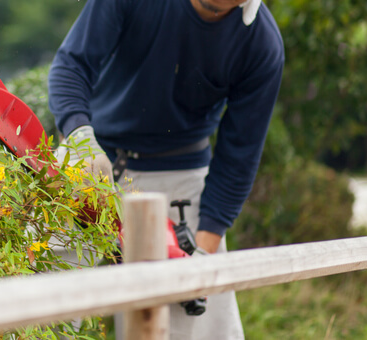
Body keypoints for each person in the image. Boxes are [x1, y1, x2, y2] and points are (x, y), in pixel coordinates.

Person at [48, 0, 284, 339]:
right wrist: (80, 137)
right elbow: (72, 66)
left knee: (198, 325)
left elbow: (239, 156)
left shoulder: (261, 43)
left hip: (180, 176)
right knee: (40, 299)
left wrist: (203, 254)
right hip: (93, 157)